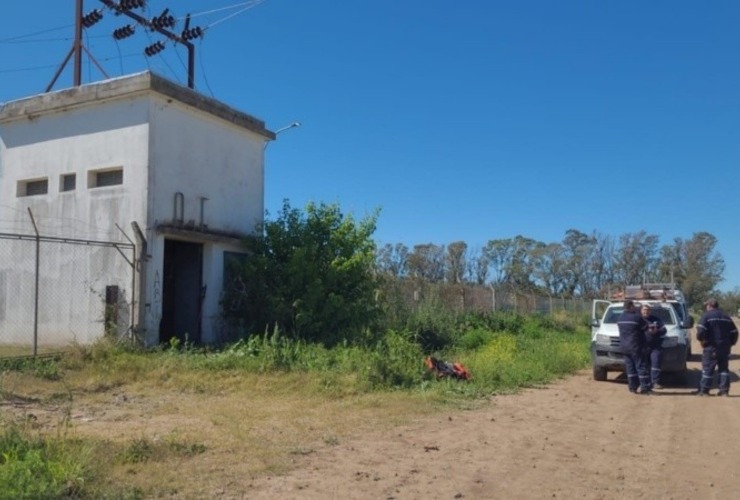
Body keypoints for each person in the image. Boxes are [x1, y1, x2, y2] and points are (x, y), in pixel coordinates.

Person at [696, 298, 738, 396]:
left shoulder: (706, 316)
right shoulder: (726, 317)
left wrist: (702, 341)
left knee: (708, 368)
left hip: (711, 347)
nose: (706, 307)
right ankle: (724, 391)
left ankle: (704, 391)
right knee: (723, 369)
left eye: (706, 305)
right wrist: (731, 343)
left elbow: (700, 331)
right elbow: (735, 332)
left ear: (710, 306)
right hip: (725, 348)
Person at [618, 300, 652, 394]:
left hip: (624, 347)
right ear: (631, 306)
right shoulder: (636, 317)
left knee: (630, 368)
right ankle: (644, 388)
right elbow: (645, 328)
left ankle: (632, 388)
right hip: (636, 347)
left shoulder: (620, 318)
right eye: (634, 306)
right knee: (641, 367)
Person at [641, 304, 667, 389]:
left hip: (655, 346)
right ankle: (644, 383)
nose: (646, 312)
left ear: (650, 311)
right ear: (641, 311)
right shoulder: (639, 320)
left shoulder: (656, 319)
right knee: (643, 365)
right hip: (643, 346)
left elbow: (664, 330)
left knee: (656, 363)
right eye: (644, 310)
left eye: (647, 310)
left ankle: (655, 382)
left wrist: (657, 331)